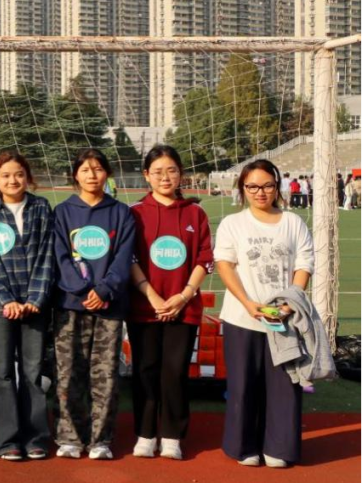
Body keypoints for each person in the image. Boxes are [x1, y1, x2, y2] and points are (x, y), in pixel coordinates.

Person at [215, 159, 314, 468]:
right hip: (242, 317)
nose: (260, 192)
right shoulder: (232, 224)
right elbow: (224, 264)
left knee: (285, 385)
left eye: (267, 185)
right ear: (242, 189)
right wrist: (247, 303)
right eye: (253, 186)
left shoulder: (293, 222)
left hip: (284, 319)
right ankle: (243, 445)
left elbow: (304, 264)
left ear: (277, 186)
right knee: (243, 385)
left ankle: (279, 447)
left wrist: (289, 305)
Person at [128, 145, 213, 460]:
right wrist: (152, 296)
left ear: (181, 174)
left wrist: (183, 296)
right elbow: (129, 258)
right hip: (144, 307)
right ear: (146, 175)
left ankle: (172, 435)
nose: (165, 177)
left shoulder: (195, 213)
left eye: (172, 170)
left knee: (175, 372)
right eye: (158, 172)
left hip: (183, 307)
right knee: (145, 369)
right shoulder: (134, 213)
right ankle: (145, 433)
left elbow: (204, 259)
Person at [52, 147, 136, 461]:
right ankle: (70, 437)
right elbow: (60, 257)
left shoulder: (121, 213)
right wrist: (81, 288)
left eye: (98, 169)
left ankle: (101, 439)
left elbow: (123, 259)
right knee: (68, 373)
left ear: (107, 174)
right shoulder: (62, 212)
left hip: (109, 307)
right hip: (70, 305)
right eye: (85, 169)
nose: (92, 175)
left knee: (105, 375)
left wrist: (103, 290)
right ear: (75, 174)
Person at [0, 151, 53, 461]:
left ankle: (35, 437)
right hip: (0, 308)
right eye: (6, 175)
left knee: (32, 372)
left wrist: (34, 299)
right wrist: (6, 299)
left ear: (28, 177)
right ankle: (5, 440)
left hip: (35, 307)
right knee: (2, 372)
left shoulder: (41, 207)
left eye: (19, 174)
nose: (13, 180)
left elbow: (47, 255)